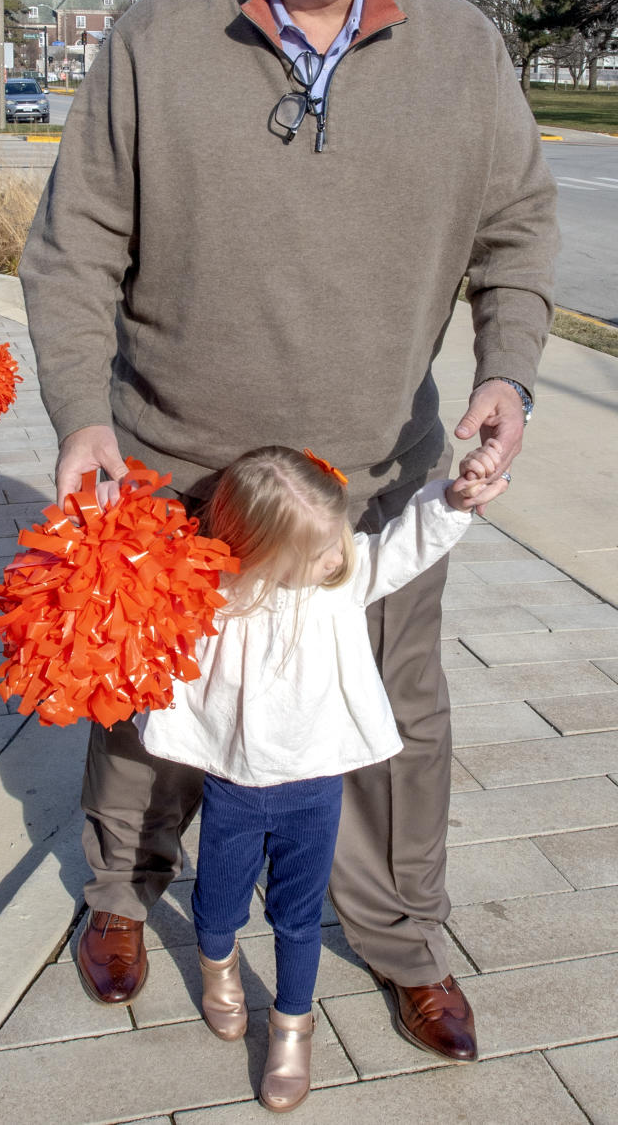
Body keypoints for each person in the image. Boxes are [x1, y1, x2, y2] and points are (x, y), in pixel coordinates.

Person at [18, 0, 559, 1061]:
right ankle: (117, 890)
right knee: (147, 713)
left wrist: (509, 370)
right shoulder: (155, 37)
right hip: (176, 480)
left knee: (392, 723)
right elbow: (74, 245)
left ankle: (405, 936)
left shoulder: (463, 52)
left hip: (366, 484)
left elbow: (518, 231)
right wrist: (81, 413)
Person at [137, 443, 505, 1109]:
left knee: (298, 915)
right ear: (259, 553)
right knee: (218, 903)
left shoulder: (345, 582)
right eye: (319, 551)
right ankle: (216, 960)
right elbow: (150, 627)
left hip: (315, 787)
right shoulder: (218, 600)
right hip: (237, 785)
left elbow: (403, 543)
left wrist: (451, 502)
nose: (337, 557)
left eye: (336, 538)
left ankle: (293, 1025)